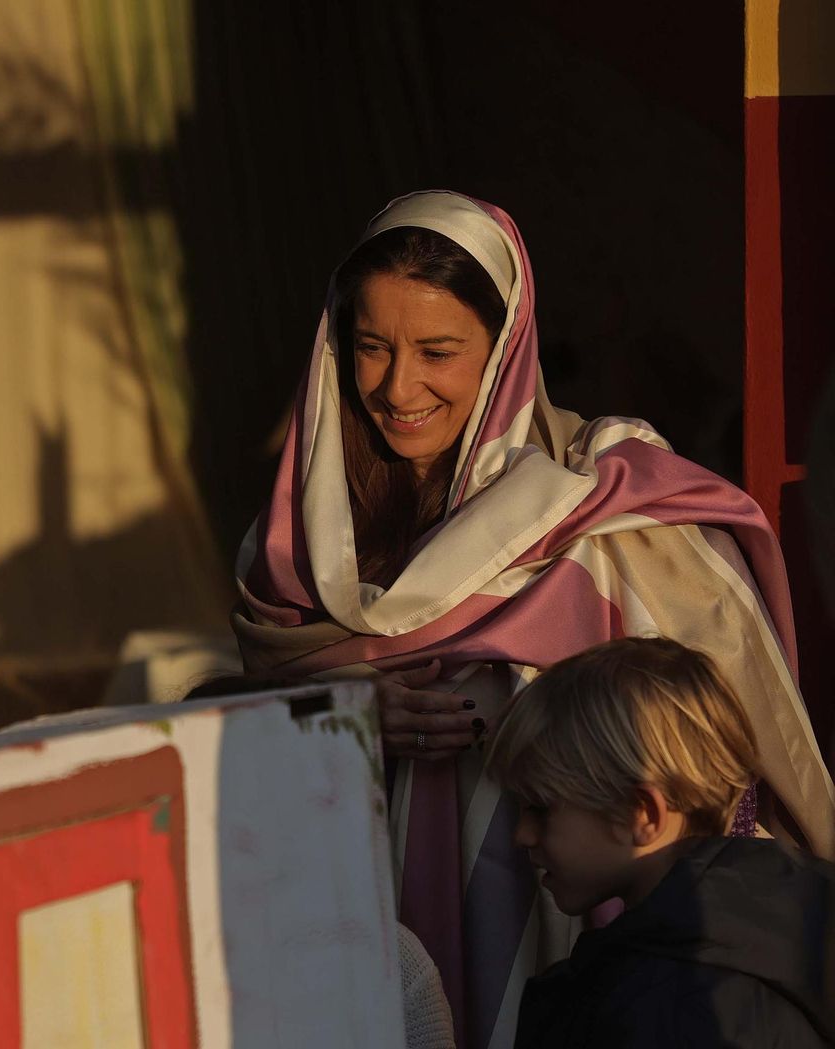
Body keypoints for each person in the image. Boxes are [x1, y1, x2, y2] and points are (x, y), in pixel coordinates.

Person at [231, 190, 835, 1048]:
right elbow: (226, 726)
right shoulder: (297, 542)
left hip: (583, 938)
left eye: (438, 351)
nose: (398, 387)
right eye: (371, 347)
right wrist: (335, 709)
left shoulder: (614, 514)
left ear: (507, 344)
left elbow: (710, 743)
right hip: (361, 918)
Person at [486, 637, 835, 1046]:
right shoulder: (788, 929)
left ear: (642, 815)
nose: (521, 835)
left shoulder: (670, 1007)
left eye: (540, 808)